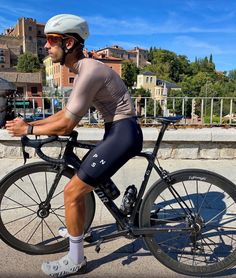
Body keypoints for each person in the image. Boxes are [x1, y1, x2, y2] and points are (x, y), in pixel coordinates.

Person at [5, 14, 143, 277]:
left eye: (51, 40)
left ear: (68, 43)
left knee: (72, 192)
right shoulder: (84, 70)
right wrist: (33, 122)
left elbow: (66, 125)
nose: (46, 46)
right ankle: (87, 221)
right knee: (87, 175)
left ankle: (76, 259)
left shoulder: (89, 71)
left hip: (123, 133)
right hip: (119, 130)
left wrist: (29, 129)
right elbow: (63, 115)